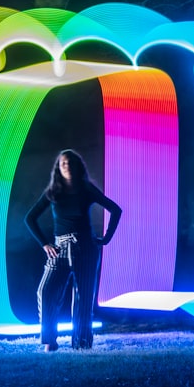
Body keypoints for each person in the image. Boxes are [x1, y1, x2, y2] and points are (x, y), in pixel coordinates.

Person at [24, 149, 122, 351]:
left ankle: (81, 344)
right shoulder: (53, 192)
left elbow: (115, 210)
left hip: (84, 246)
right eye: (62, 163)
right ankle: (50, 341)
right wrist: (44, 244)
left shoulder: (86, 189)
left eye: (69, 162)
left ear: (77, 166)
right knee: (46, 290)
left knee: (83, 297)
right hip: (59, 247)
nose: (66, 165)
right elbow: (30, 218)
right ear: (58, 169)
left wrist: (107, 238)